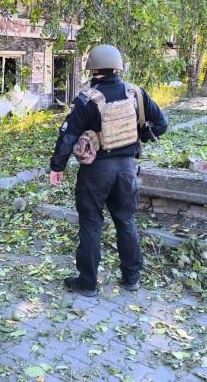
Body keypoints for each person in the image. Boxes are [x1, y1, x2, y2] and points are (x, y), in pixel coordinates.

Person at [49, 44, 168, 297]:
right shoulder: (136, 94)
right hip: (127, 169)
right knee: (125, 220)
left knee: (91, 223)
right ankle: (132, 278)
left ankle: (88, 283)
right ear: (117, 67)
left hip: (96, 171)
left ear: (92, 69)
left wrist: (57, 167)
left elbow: (67, 136)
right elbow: (161, 124)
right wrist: (138, 137)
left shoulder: (86, 99)